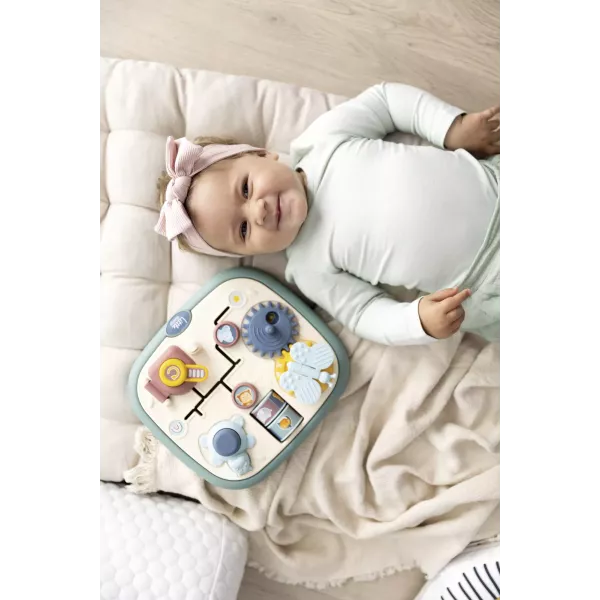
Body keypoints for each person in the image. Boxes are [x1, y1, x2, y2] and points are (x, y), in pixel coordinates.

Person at [155, 82, 502, 344]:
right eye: (243, 230)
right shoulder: (309, 269)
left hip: (493, 181)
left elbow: (385, 101)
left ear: (262, 154)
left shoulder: (323, 142)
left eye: (246, 189)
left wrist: (450, 128)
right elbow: (363, 312)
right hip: (485, 281)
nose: (258, 211)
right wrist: (417, 322)